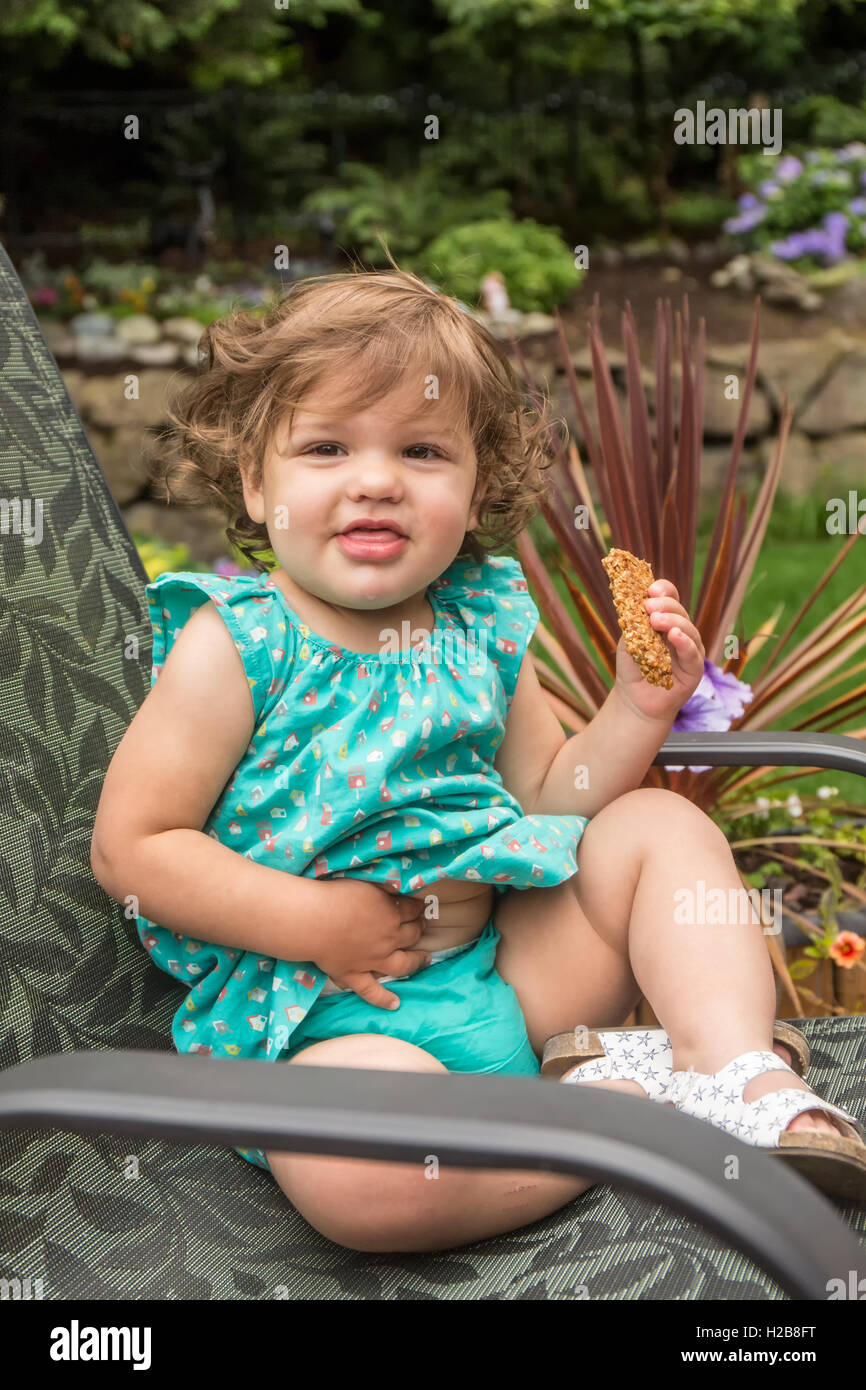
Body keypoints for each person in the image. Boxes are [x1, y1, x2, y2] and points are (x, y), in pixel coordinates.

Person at [90, 263, 865, 1254]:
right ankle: (619, 1128)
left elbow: (553, 794)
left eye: (420, 450)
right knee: (362, 1180)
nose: (375, 479)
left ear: (473, 486)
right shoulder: (235, 645)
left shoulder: (478, 621)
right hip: (335, 1024)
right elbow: (133, 847)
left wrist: (637, 706)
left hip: (505, 974)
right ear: (255, 480)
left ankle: (734, 1073)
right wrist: (311, 919)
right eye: (325, 447)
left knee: (658, 824)